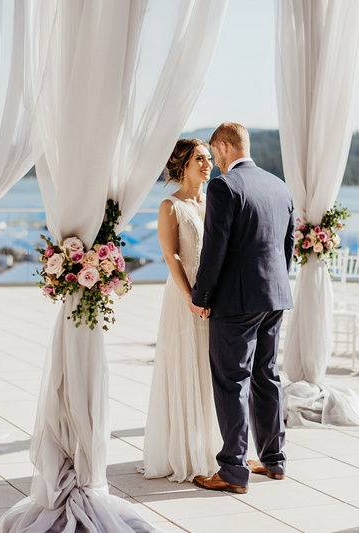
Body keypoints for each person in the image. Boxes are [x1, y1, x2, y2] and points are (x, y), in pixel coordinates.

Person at [191, 122, 295, 494]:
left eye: (214, 153)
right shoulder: (277, 184)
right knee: (266, 375)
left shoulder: (224, 185)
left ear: (222, 146)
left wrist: (201, 297)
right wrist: (277, 286)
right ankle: (273, 459)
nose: (214, 162)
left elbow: (214, 249)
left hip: (237, 300)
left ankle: (233, 469)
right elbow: (288, 246)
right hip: (275, 295)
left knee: (232, 379)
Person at [141, 138, 221, 482]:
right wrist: (190, 295)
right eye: (200, 159)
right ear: (184, 165)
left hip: (215, 297)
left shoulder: (214, 200)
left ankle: (212, 446)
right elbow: (170, 255)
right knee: (186, 364)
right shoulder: (170, 206)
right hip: (184, 295)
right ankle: (185, 450)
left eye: (209, 159)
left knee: (211, 368)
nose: (208, 164)